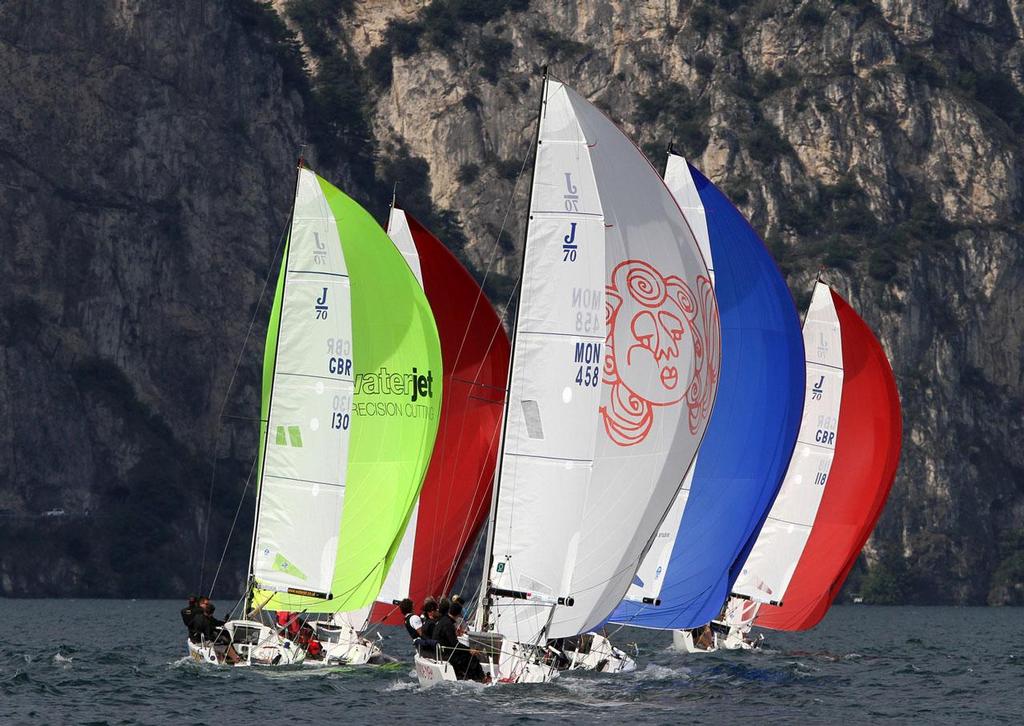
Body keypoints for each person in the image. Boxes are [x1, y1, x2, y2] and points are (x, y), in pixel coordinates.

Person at [434, 602, 486, 682]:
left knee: (466, 654)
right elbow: (455, 644)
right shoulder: (448, 625)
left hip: (441, 651)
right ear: (458, 614)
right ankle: (481, 679)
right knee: (472, 657)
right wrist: (469, 650)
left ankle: (468, 676)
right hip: (446, 653)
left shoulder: (443, 620)